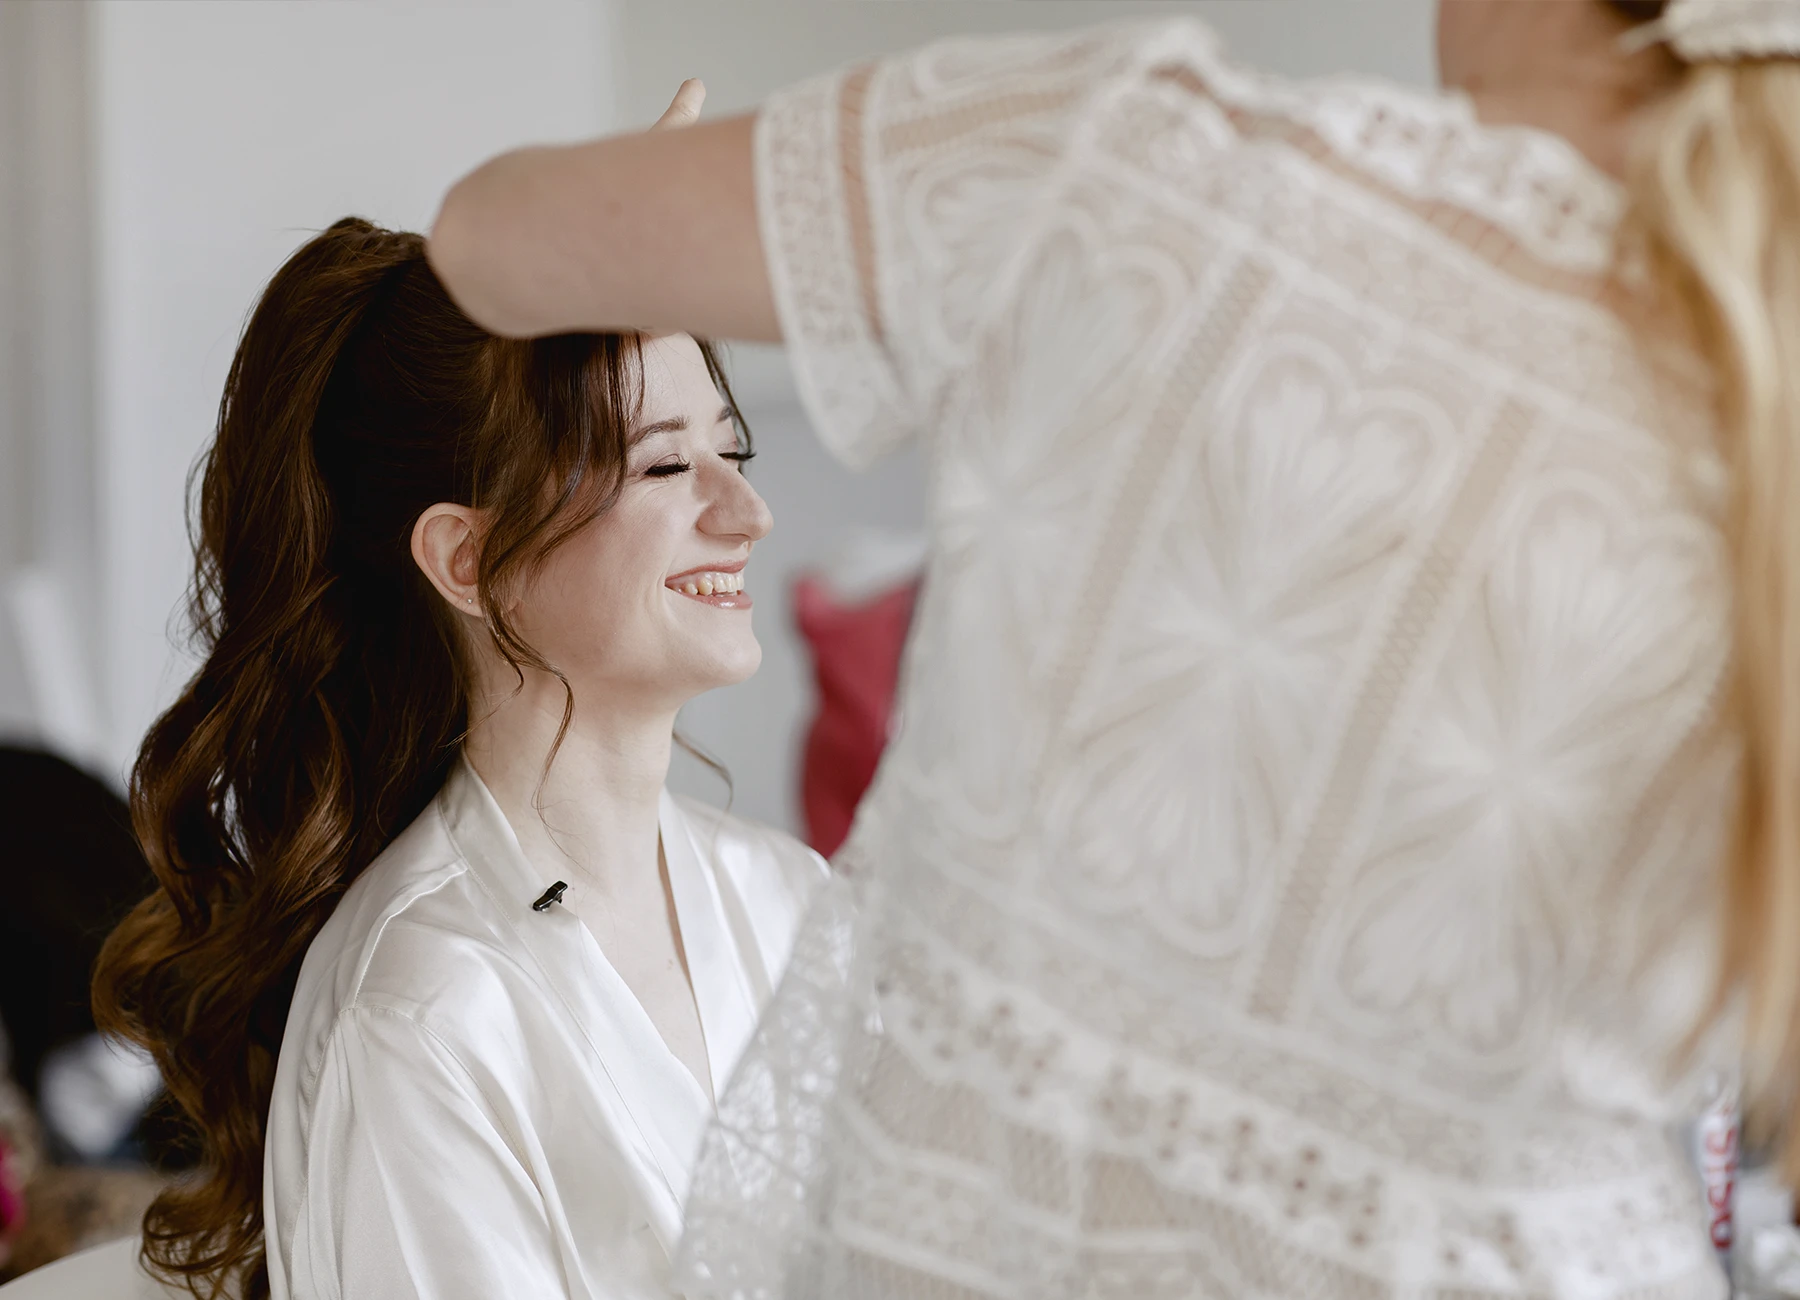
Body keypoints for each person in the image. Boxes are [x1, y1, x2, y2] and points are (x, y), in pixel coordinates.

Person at [427, 0, 1800, 1295]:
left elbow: (486, 236)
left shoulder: (1143, 166)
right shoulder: (1762, 405)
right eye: (669, 461)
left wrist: (661, 200)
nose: (744, 505)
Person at [89, 169, 828, 1300]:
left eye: (737, 453)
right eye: (667, 464)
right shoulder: (426, 1009)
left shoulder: (793, 904)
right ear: (468, 558)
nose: (747, 513)